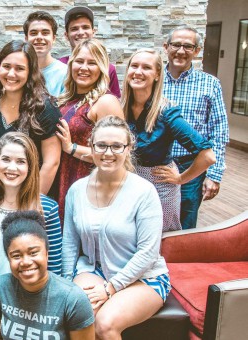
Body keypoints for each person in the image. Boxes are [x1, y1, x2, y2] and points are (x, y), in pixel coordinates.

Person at [62, 116, 171, 339]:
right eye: (101, 145)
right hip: (94, 269)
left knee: (105, 324)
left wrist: (111, 287)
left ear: (128, 148)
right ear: (91, 146)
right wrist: (65, 284)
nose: (108, 153)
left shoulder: (144, 191)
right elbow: (70, 243)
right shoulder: (77, 190)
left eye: (116, 146)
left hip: (143, 277)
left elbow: (149, 253)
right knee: (80, 314)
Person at [122, 49, 215, 231]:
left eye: (146, 67)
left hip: (159, 186)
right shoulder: (120, 107)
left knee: (158, 240)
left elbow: (208, 156)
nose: (138, 71)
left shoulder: (167, 113)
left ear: (157, 74)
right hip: (128, 184)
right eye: (134, 66)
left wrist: (181, 178)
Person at [0, 211, 95, 340]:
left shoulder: (73, 299)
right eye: (16, 256)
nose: (25, 262)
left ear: (47, 253)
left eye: (33, 253)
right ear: (8, 259)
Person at [163, 26, 229, 229]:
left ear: (197, 50)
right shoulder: (152, 80)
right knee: (151, 219)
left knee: (186, 223)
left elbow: (219, 131)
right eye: (176, 45)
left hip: (191, 166)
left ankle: (182, 262)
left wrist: (214, 175)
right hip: (156, 163)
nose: (181, 51)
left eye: (188, 46)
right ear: (166, 47)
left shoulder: (210, 84)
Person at [0, 132, 62, 276]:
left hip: (31, 293)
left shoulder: (46, 208)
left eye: (20, 161)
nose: (12, 168)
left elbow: (54, 266)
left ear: (30, 167)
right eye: (6, 159)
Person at [54, 38, 123, 220]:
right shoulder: (65, 100)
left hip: (90, 186)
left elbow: (118, 154)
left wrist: (72, 148)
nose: (84, 67)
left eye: (92, 63)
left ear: (101, 68)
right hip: (61, 182)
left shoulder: (105, 102)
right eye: (79, 61)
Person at [0, 40, 62, 195]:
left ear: (30, 72)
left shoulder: (45, 108)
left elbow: (51, 163)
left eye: (19, 69)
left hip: (32, 196)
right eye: (6, 67)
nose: (11, 74)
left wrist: (31, 204)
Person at [59, 6, 121, 98]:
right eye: (74, 29)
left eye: (85, 27)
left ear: (93, 32)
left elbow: (116, 101)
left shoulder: (107, 68)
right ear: (66, 35)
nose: (80, 32)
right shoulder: (59, 66)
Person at [23, 11, 68, 97]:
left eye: (45, 33)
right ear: (26, 39)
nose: (39, 37)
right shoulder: (18, 70)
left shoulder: (65, 73)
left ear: (53, 38)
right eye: (34, 33)